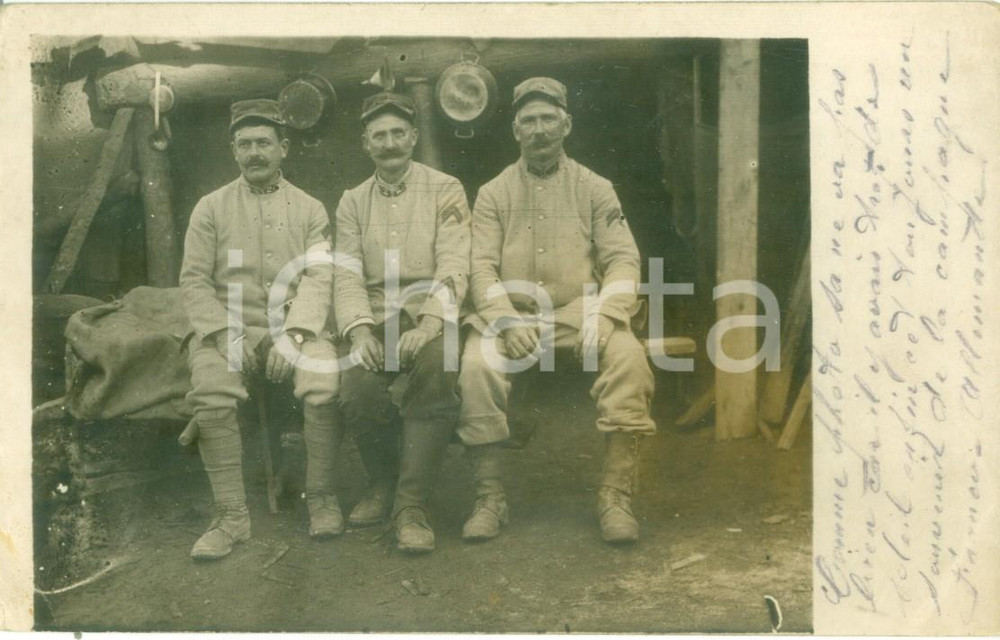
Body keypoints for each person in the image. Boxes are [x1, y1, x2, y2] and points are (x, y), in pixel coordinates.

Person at [458, 78, 656, 545]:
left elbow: (623, 260)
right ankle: (489, 498)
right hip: (512, 315)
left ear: (567, 125)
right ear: (515, 130)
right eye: (529, 121)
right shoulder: (493, 193)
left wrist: (606, 314)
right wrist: (505, 320)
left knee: (630, 361)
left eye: (549, 119)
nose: (540, 130)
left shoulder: (595, 188)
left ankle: (615, 496)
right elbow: (480, 267)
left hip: (579, 314)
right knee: (475, 368)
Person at [180, 99, 341, 560]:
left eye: (264, 143)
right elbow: (193, 281)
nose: (255, 153)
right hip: (227, 329)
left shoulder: (310, 209)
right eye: (245, 144)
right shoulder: (210, 208)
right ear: (233, 150)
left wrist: (296, 334)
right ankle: (231, 516)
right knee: (211, 389)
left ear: (283, 147)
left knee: (323, 382)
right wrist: (224, 334)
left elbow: (319, 278)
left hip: (295, 326)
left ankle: (322, 496)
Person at [333, 92, 471, 553]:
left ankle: (411, 506)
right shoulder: (353, 201)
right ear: (365, 143)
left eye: (397, 133)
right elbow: (346, 272)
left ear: (413, 137)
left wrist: (430, 323)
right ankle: (384, 481)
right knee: (356, 386)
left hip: (431, 311)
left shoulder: (445, 188)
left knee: (437, 369)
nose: (389, 143)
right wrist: (358, 331)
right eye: (379, 135)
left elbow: (454, 261)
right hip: (376, 316)